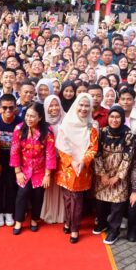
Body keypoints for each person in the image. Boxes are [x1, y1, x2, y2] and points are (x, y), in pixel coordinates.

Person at [55, 94, 98, 244]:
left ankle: (74, 228)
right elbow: (61, 147)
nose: (84, 108)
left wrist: (83, 161)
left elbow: (93, 147)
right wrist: (72, 161)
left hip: (83, 167)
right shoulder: (66, 124)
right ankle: (67, 221)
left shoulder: (93, 125)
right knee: (67, 198)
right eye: (81, 105)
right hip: (67, 167)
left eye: (87, 106)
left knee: (77, 199)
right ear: (75, 106)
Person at [10, 102, 55, 234]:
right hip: (23, 168)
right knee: (22, 194)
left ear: (40, 117)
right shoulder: (19, 129)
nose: (29, 119)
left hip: (40, 170)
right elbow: (14, 151)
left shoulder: (47, 131)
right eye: (27, 115)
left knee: (38, 195)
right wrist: (17, 171)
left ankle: (35, 219)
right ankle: (18, 221)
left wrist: (47, 174)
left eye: (32, 116)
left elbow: (50, 153)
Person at [94, 105, 134, 244]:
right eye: (112, 116)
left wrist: (118, 176)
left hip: (119, 173)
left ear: (122, 118)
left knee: (117, 204)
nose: (114, 120)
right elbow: (96, 154)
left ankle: (114, 231)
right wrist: (102, 174)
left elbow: (128, 157)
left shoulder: (127, 134)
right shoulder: (102, 132)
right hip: (103, 172)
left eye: (118, 117)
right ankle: (102, 223)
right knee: (100, 202)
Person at [0, 93, 23, 227]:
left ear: (15, 108)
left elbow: (21, 145)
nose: (8, 111)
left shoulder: (20, 121)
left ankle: (9, 211)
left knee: (10, 185)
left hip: (14, 160)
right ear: (0, 107)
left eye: (11, 108)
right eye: (5, 108)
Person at [40, 95, 66, 224]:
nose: (54, 108)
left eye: (57, 105)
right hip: (46, 160)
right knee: (49, 187)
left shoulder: (66, 119)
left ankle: (62, 213)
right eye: (51, 105)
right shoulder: (42, 122)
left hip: (63, 159)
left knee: (62, 187)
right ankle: (50, 212)